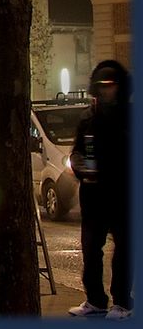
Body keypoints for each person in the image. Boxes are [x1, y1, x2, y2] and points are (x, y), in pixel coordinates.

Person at [68, 60, 132, 320]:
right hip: (93, 196)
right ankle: (95, 299)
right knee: (90, 249)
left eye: (112, 86)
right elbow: (77, 152)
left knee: (125, 248)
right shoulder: (88, 117)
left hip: (123, 193)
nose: (107, 92)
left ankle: (123, 302)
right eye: (103, 87)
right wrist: (81, 167)